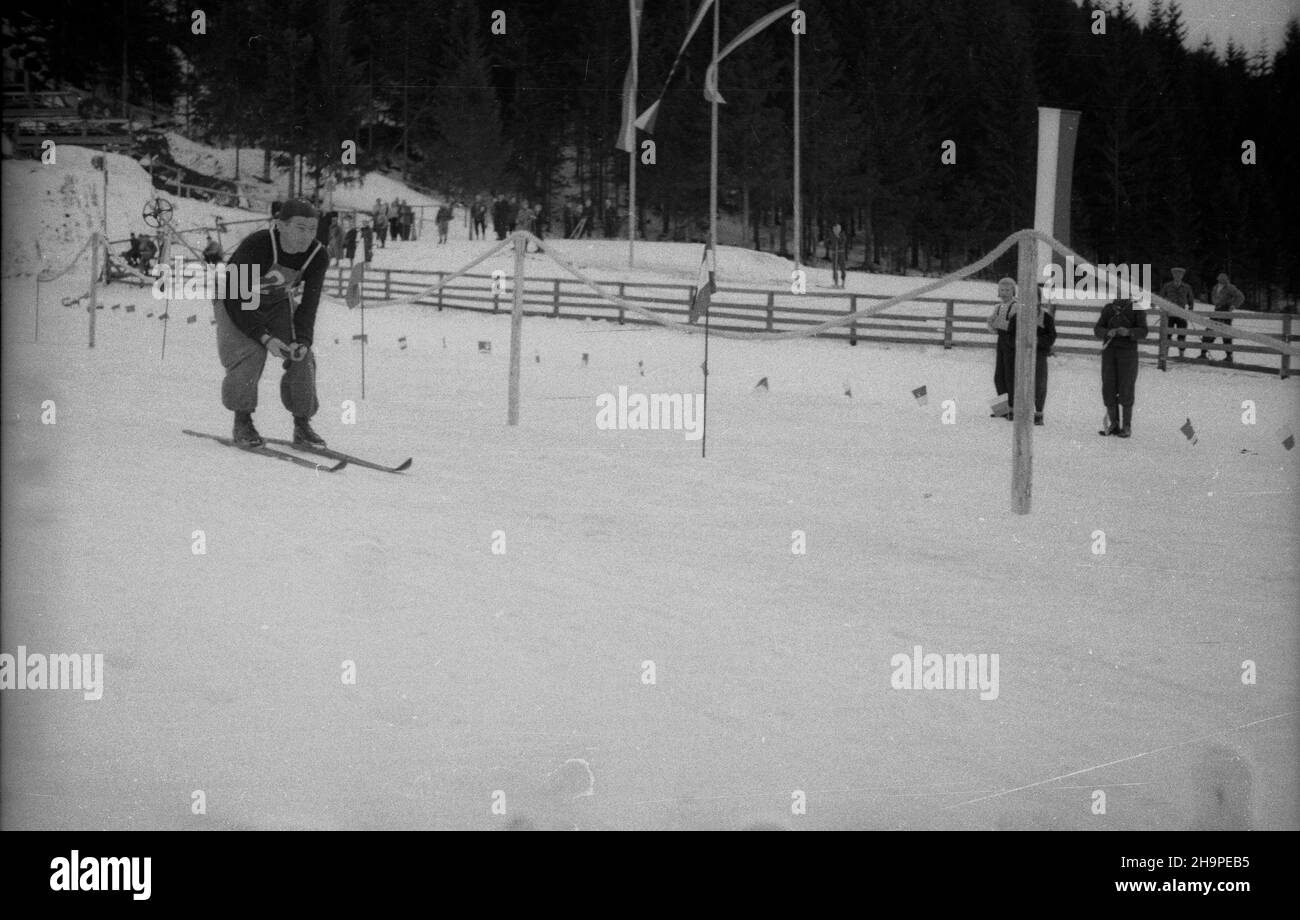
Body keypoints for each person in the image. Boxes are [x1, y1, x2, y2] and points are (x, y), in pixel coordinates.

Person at [214, 198, 328, 448]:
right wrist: (265, 337)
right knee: (251, 353)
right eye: (300, 227)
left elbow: (309, 306)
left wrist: (303, 340)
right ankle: (242, 420)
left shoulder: (317, 255)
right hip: (236, 301)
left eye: (312, 229)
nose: (306, 236)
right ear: (280, 225)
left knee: (303, 355)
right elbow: (238, 297)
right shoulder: (258, 245)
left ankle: (302, 424)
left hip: (276, 303)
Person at [1094, 296, 1149, 438]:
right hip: (1109, 352)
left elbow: (1144, 331)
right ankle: (1113, 424)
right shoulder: (1108, 308)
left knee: (1126, 387)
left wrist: (1129, 332)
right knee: (1108, 387)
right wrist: (1107, 332)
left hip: (1128, 353)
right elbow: (1097, 329)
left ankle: (1126, 426)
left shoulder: (1137, 308)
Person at [1004, 290, 1057, 426]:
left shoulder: (1046, 318)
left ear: (1039, 300)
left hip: (1038, 354)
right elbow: (1009, 336)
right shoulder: (1017, 317)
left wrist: (1037, 341)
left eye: (1035, 299)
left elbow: (1051, 337)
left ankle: (1038, 413)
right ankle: (1013, 410)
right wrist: (1019, 341)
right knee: (1015, 380)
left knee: (1039, 383)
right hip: (1020, 353)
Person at [986, 277, 1019, 419]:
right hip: (1001, 342)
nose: (1004, 292)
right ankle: (1001, 409)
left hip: (1012, 343)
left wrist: (998, 323)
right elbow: (993, 327)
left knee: (1009, 376)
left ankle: (1012, 409)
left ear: (1013, 291)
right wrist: (991, 324)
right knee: (998, 376)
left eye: (1007, 290)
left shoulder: (1016, 306)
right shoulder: (998, 307)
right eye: (1002, 290)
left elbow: (1014, 327)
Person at [1201, 272, 1244, 364]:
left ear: (1226, 280)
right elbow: (1214, 298)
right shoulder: (1215, 287)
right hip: (1216, 310)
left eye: (1223, 280)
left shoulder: (1230, 287)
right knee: (1209, 331)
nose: (1221, 281)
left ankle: (1229, 356)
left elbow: (1241, 297)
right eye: (1220, 280)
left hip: (1226, 311)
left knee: (1226, 333)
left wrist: (1233, 305)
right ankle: (1203, 353)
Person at [1159, 266, 1194, 357]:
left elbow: (1190, 299)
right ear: (1173, 275)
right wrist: (1162, 307)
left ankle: (1181, 354)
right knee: (1167, 334)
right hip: (1169, 314)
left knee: (1181, 335)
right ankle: (1165, 353)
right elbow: (1161, 297)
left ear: (1182, 276)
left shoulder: (1187, 287)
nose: (1178, 276)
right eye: (1176, 274)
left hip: (1181, 315)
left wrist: (1190, 309)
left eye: (1180, 274)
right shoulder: (1167, 286)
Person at [826, 223, 849, 288]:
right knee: (834, 268)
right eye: (835, 229)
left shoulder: (842, 234)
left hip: (840, 253)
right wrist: (828, 242)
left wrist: (838, 237)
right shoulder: (832, 235)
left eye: (838, 228)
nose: (836, 230)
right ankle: (836, 282)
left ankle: (843, 283)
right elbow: (828, 242)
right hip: (834, 253)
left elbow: (843, 242)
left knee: (842, 267)